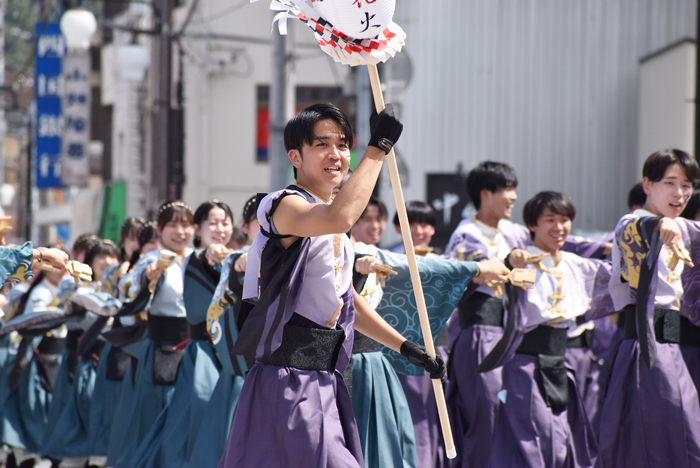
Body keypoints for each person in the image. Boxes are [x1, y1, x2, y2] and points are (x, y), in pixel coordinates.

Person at [218, 102, 457, 467]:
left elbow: (346, 301)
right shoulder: (281, 206)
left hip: (324, 378)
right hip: (287, 378)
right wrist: (379, 148)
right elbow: (340, 214)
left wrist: (406, 347)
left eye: (344, 144)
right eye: (323, 144)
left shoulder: (335, 229)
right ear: (295, 156)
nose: (337, 154)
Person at [445, 161, 611, 468]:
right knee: (486, 420)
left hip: (511, 339)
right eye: (507, 189)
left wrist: (604, 249)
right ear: (485, 193)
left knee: (509, 424)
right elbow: (475, 273)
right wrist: (508, 260)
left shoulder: (514, 231)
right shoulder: (466, 236)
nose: (513, 197)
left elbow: (556, 241)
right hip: (483, 334)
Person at [483, 191, 606, 467]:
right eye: (550, 219)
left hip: (561, 362)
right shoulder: (523, 262)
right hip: (526, 363)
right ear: (532, 225)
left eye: (564, 220)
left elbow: (619, 279)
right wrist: (512, 261)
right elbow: (514, 290)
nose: (559, 227)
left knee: (561, 440)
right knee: (534, 438)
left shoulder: (576, 264)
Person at [598, 148, 700, 467]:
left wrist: (670, 226)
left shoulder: (681, 228)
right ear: (647, 185)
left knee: (681, 437)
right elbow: (636, 229)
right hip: (645, 349)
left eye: (687, 186)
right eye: (670, 183)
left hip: (671, 346)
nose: (680, 193)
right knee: (652, 442)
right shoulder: (633, 223)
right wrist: (659, 227)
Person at [137, 200, 234, 468]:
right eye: (212, 223)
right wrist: (149, 276)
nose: (219, 228)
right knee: (189, 418)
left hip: (227, 354)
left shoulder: (234, 258)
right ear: (199, 228)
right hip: (188, 349)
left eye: (225, 223)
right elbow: (130, 290)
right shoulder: (188, 259)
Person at [112, 202, 194, 468]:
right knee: (155, 419)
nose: (180, 231)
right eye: (172, 225)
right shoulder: (151, 259)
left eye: (185, 224)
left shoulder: (201, 257)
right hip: (162, 347)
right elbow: (129, 292)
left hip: (196, 350)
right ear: (160, 229)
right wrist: (149, 279)